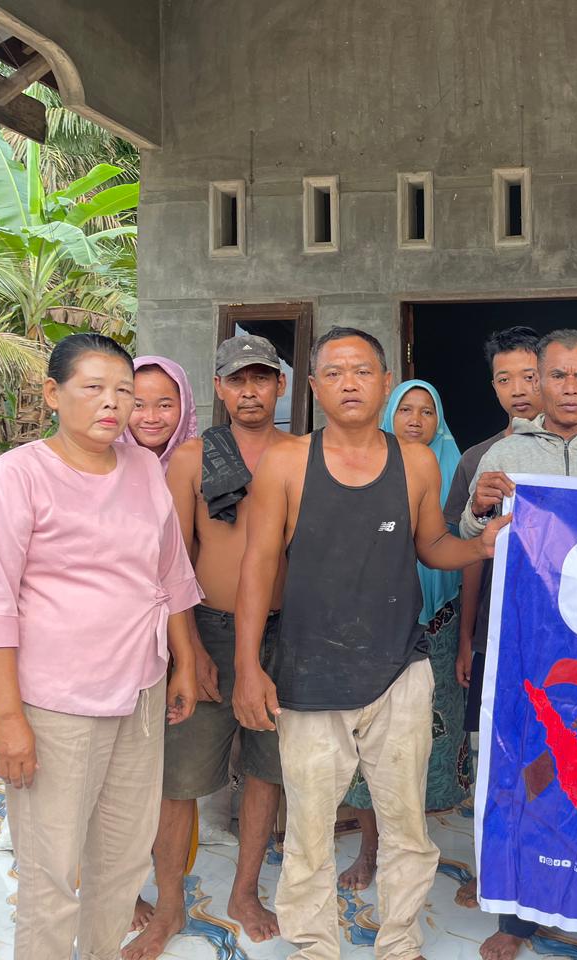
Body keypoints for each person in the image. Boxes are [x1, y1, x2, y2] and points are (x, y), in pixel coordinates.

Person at [232, 326, 507, 960]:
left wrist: (480, 546)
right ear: (313, 387)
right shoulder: (286, 461)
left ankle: (400, 942)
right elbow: (258, 565)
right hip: (309, 675)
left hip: (398, 670)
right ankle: (314, 946)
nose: (349, 383)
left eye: (362, 371)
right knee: (308, 831)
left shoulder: (416, 462)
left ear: (385, 383)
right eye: (333, 372)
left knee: (407, 826)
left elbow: (431, 545)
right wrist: (248, 666)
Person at [0, 333, 200, 960]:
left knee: (122, 860)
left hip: (140, 693)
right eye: (94, 388)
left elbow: (169, 571)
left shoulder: (143, 468)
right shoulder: (15, 477)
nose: (113, 403)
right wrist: (6, 718)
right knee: (52, 872)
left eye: (124, 391)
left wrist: (185, 662)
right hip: (57, 705)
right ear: (53, 394)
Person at [459, 328, 577, 960]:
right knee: (525, 773)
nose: (569, 387)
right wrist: (480, 507)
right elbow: (470, 531)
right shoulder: (503, 455)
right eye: (558, 376)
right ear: (538, 382)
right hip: (528, 639)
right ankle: (516, 918)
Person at [123, 335, 291, 959]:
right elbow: (173, 561)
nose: (250, 391)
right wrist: (189, 653)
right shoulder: (193, 458)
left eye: (261, 378)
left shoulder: (301, 454)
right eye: (236, 380)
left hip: (284, 632)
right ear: (218, 388)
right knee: (180, 777)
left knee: (266, 769)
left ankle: (244, 893)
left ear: (280, 386)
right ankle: (169, 905)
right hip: (210, 629)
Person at [339, 378, 469, 892]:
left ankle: (416, 847)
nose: (416, 420)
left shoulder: (458, 469)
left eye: (427, 411)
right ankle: (370, 849)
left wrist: (465, 639)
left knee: (431, 740)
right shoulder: (366, 469)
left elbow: (469, 553)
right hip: (375, 624)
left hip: (443, 622)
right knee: (370, 737)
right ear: (389, 414)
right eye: (406, 409)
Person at [441, 325, 541, 910]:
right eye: (505, 379)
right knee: (496, 756)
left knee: (563, 754)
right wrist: (467, 639)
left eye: (529, 375)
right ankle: (494, 870)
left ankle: (556, 869)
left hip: (566, 638)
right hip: (501, 635)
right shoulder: (478, 461)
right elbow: (468, 550)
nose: (518, 389)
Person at [121, 355, 198, 470]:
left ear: (185, 406)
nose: (151, 418)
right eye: (137, 405)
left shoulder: (202, 466)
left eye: (164, 406)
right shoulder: (101, 466)